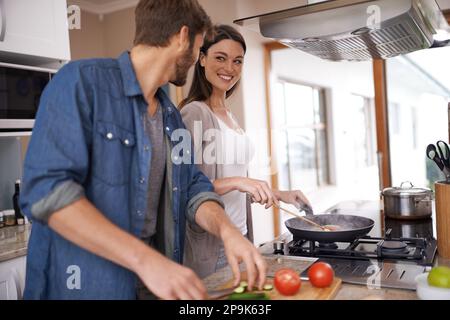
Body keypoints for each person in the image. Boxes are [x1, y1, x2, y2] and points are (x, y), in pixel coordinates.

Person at [19, 1, 266, 300]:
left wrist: (227, 230)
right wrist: (146, 261)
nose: (193, 60)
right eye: (198, 47)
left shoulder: (171, 116)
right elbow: (48, 192)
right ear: (182, 37)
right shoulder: (81, 81)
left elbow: (193, 189)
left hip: (149, 287)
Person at [180, 25, 312, 278]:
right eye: (220, 58)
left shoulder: (229, 115)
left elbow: (234, 186)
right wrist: (241, 182)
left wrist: (278, 193)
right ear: (202, 59)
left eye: (237, 61)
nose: (229, 68)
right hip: (213, 243)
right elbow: (185, 188)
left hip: (240, 236)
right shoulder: (194, 113)